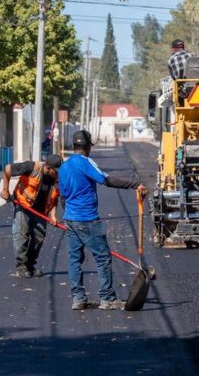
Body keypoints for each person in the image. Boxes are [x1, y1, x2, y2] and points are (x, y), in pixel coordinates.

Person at [59, 130, 144, 310]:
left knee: (74, 259)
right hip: (87, 218)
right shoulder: (86, 162)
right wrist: (134, 184)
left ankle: (78, 299)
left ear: (74, 146)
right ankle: (108, 298)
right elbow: (106, 180)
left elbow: (63, 195)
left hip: (71, 219)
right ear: (88, 147)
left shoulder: (64, 166)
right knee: (103, 257)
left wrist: (69, 215)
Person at [1, 154, 63, 277]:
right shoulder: (31, 167)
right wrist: (5, 190)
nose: (57, 174)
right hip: (23, 205)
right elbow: (8, 169)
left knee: (39, 237)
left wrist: (53, 215)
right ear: (48, 167)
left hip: (41, 211)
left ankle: (30, 265)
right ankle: (21, 267)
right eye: (55, 171)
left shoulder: (56, 178)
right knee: (21, 235)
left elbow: (54, 198)